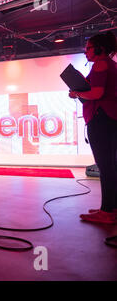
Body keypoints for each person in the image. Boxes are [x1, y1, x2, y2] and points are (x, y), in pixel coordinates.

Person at [69, 31, 117, 224]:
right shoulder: (111, 64)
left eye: (88, 48)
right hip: (110, 118)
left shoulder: (101, 64)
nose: (86, 51)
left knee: (105, 166)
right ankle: (111, 208)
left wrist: (76, 92)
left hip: (101, 118)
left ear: (100, 49)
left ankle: (106, 212)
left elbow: (96, 93)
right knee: (111, 165)